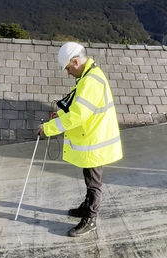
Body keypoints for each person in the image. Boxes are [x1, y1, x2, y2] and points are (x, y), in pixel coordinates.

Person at [37, 42, 123, 237]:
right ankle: (86, 207)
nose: (68, 73)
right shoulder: (88, 77)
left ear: (75, 61)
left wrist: (48, 129)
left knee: (94, 182)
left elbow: (78, 116)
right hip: (92, 137)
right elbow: (79, 109)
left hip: (95, 141)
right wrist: (60, 115)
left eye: (68, 68)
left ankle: (90, 218)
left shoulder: (91, 81)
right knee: (89, 176)